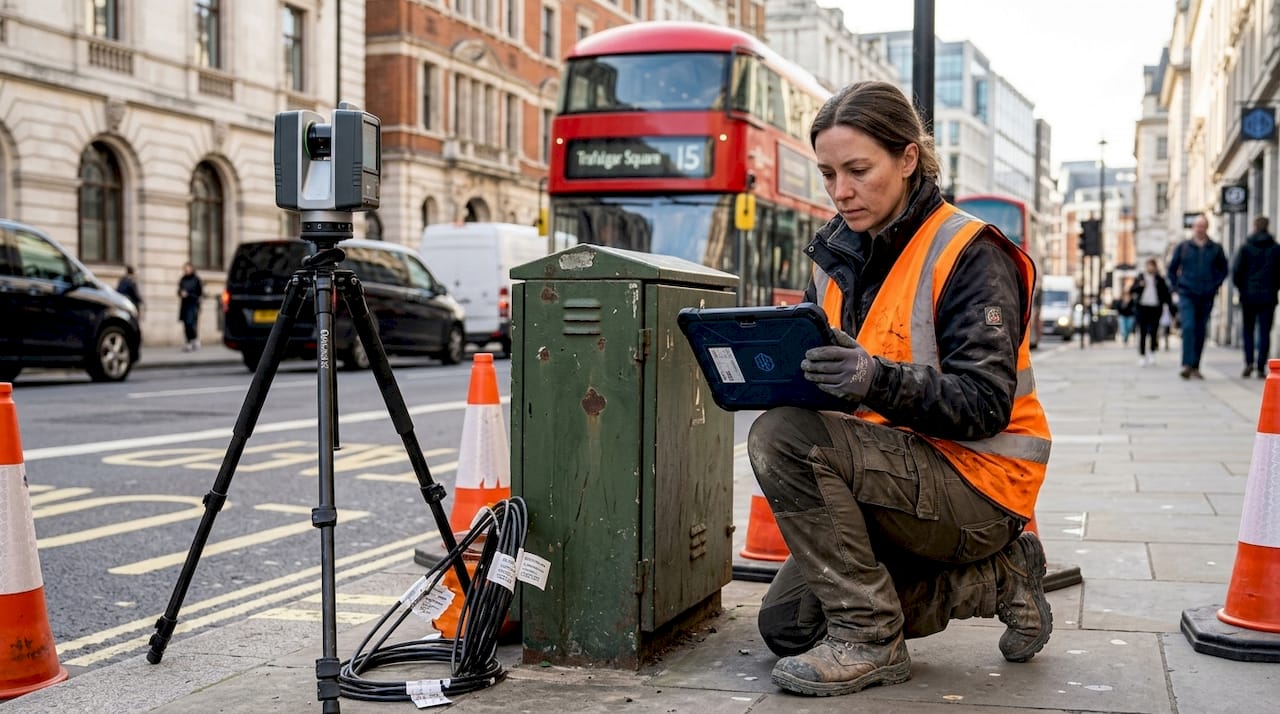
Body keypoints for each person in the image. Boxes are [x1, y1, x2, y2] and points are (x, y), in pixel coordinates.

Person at [748, 80, 1052, 698]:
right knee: (789, 626)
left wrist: (873, 378)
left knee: (782, 437)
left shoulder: (970, 251)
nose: (840, 191)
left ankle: (868, 638)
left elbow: (986, 403)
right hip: (890, 476)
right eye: (829, 173)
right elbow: (831, 389)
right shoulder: (835, 258)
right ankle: (1000, 581)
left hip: (979, 484)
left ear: (908, 159)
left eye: (859, 170)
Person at [1167, 215, 1228, 379]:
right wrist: (1176, 287)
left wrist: (1215, 285)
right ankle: (1186, 364)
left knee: (1200, 330)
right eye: (1197, 226)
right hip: (1187, 293)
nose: (1200, 229)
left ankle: (1195, 365)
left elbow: (1223, 269)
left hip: (1206, 295)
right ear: (1193, 228)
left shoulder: (1215, 248)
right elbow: (1172, 269)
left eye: (1203, 226)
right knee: (1188, 326)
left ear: (1206, 228)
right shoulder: (1184, 247)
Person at [1230, 216, 1280, 378]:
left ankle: (1249, 362)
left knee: (1248, 331)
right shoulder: (1275, 248)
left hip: (1249, 296)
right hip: (1268, 297)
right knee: (1265, 331)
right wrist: (1274, 288)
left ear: (1254, 227)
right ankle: (1260, 365)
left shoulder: (1246, 247)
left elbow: (1236, 272)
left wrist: (1243, 289)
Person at [1129, 258, 1173, 366]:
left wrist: (1170, 307)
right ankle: (1142, 355)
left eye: (1152, 266)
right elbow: (1132, 290)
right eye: (1148, 266)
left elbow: (1166, 294)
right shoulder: (1140, 277)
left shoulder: (1159, 279)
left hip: (1155, 308)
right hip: (1142, 307)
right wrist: (1140, 286)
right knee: (1143, 332)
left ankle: (1152, 353)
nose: (1150, 268)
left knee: (1154, 332)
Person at [177, 262, 203, 351]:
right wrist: (181, 293)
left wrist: (188, 294)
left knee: (191, 324)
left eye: (187, 268)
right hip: (185, 305)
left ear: (191, 269)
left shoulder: (196, 280)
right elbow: (179, 290)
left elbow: (199, 293)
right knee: (186, 324)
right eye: (185, 269)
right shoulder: (182, 279)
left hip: (193, 304)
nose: (186, 270)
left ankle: (194, 340)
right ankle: (188, 342)